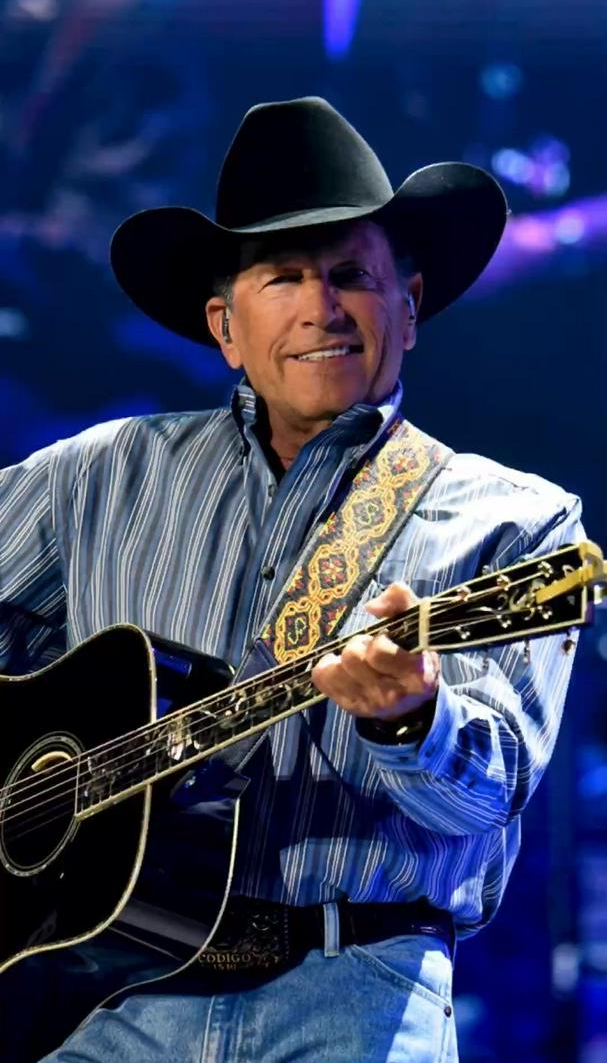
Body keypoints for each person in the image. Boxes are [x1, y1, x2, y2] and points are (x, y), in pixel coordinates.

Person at [0, 97, 583, 1062]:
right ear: (225, 326)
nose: (322, 307)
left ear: (408, 306)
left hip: (356, 997)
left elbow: (491, 796)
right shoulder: (93, 475)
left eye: (352, 274)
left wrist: (412, 720)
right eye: (283, 277)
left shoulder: (515, 520)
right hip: (102, 996)